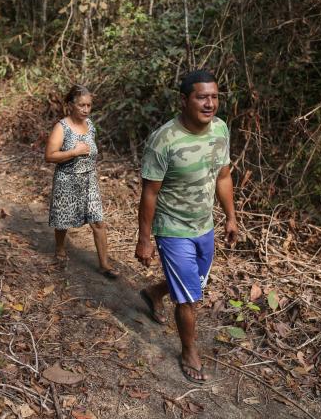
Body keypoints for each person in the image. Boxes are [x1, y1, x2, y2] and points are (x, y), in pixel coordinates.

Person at [134, 70, 238, 383]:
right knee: (190, 298)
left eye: (214, 97)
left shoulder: (220, 129)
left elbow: (223, 176)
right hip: (172, 227)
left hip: (204, 225)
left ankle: (154, 292)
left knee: (195, 282)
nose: (210, 103)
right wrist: (144, 239)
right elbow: (149, 193)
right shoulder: (164, 140)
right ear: (184, 100)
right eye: (201, 97)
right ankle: (189, 350)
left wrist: (231, 217)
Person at [45, 85, 118, 279]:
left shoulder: (90, 125)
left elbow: (91, 150)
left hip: (88, 180)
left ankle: (104, 264)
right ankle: (60, 248)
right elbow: (49, 156)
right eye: (81, 105)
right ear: (70, 105)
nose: (86, 109)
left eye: (89, 105)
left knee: (98, 222)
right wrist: (73, 152)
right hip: (66, 179)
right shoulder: (62, 127)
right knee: (62, 220)